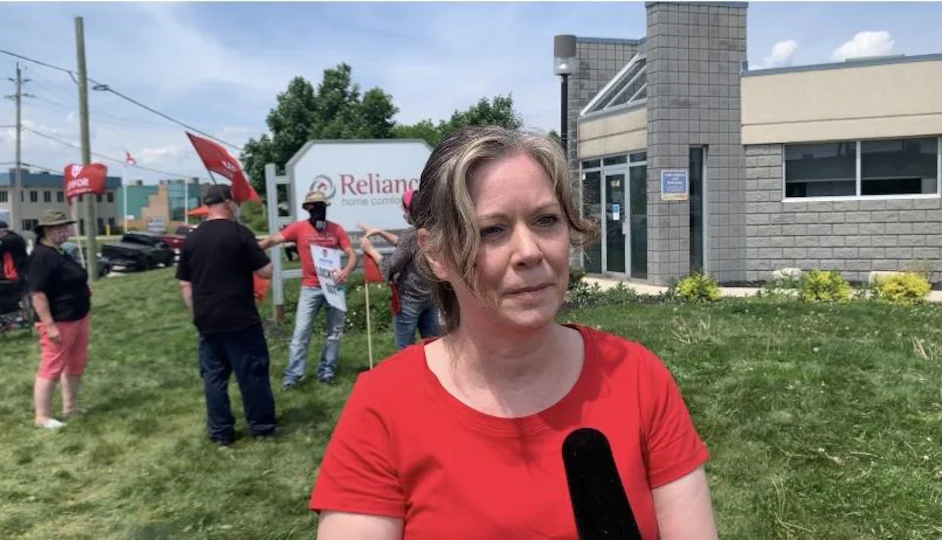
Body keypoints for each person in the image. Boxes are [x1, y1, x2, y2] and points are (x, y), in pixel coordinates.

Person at [309, 126, 717, 539]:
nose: (529, 252)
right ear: (436, 254)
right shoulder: (383, 407)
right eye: (492, 230)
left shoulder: (637, 378)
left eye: (545, 220)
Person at [176, 184, 277, 446]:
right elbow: (266, 272)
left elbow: (184, 284)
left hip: (207, 320)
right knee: (252, 373)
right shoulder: (239, 233)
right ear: (228, 202)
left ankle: (221, 432)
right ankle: (262, 426)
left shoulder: (192, 239)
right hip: (240, 317)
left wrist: (196, 315)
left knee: (214, 378)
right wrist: (255, 250)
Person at [258, 191, 357, 388]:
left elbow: (351, 254)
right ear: (308, 209)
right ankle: (292, 376)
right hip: (310, 288)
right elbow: (273, 240)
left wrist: (346, 270)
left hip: (334, 288)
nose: (320, 210)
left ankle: (327, 371)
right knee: (301, 332)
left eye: (323, 206)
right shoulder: (299, 228)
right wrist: (250, 250)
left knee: (334, 332)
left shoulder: (336, 229)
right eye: (315, 206)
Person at [26, 210, 91, 429]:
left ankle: (70, 407)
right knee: (51, 366)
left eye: (66, 226)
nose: (66, 231)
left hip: (77, 316)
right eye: (60, 227)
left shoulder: (60, 252)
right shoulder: (42, 256)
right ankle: (42, 417)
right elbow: (37, 294)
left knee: (76, 363)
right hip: (59, 320)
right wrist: (49, 325)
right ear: (47, 230)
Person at [357, 189, 440, 350]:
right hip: (431, 298)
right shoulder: (432, 230)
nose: (403, 212)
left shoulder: (410, 235)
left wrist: (371, 250)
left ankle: (406, 375)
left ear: (410, 211)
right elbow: (409, 247)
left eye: (404, 208)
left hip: (408, 301)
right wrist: (381, 232)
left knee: (404, 350)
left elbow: (389, 268)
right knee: (433, 347)